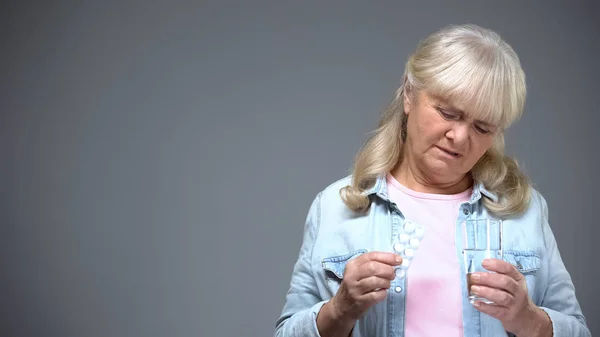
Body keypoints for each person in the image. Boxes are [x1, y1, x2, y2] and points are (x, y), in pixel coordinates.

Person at [274, 24, 591, 337]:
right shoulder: (334, 208)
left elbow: (578, 330)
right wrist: (339, 310)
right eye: (448, 113)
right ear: (409, 95)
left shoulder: (525, 212)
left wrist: (529, 319)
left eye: (482, 128)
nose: (459, 137)